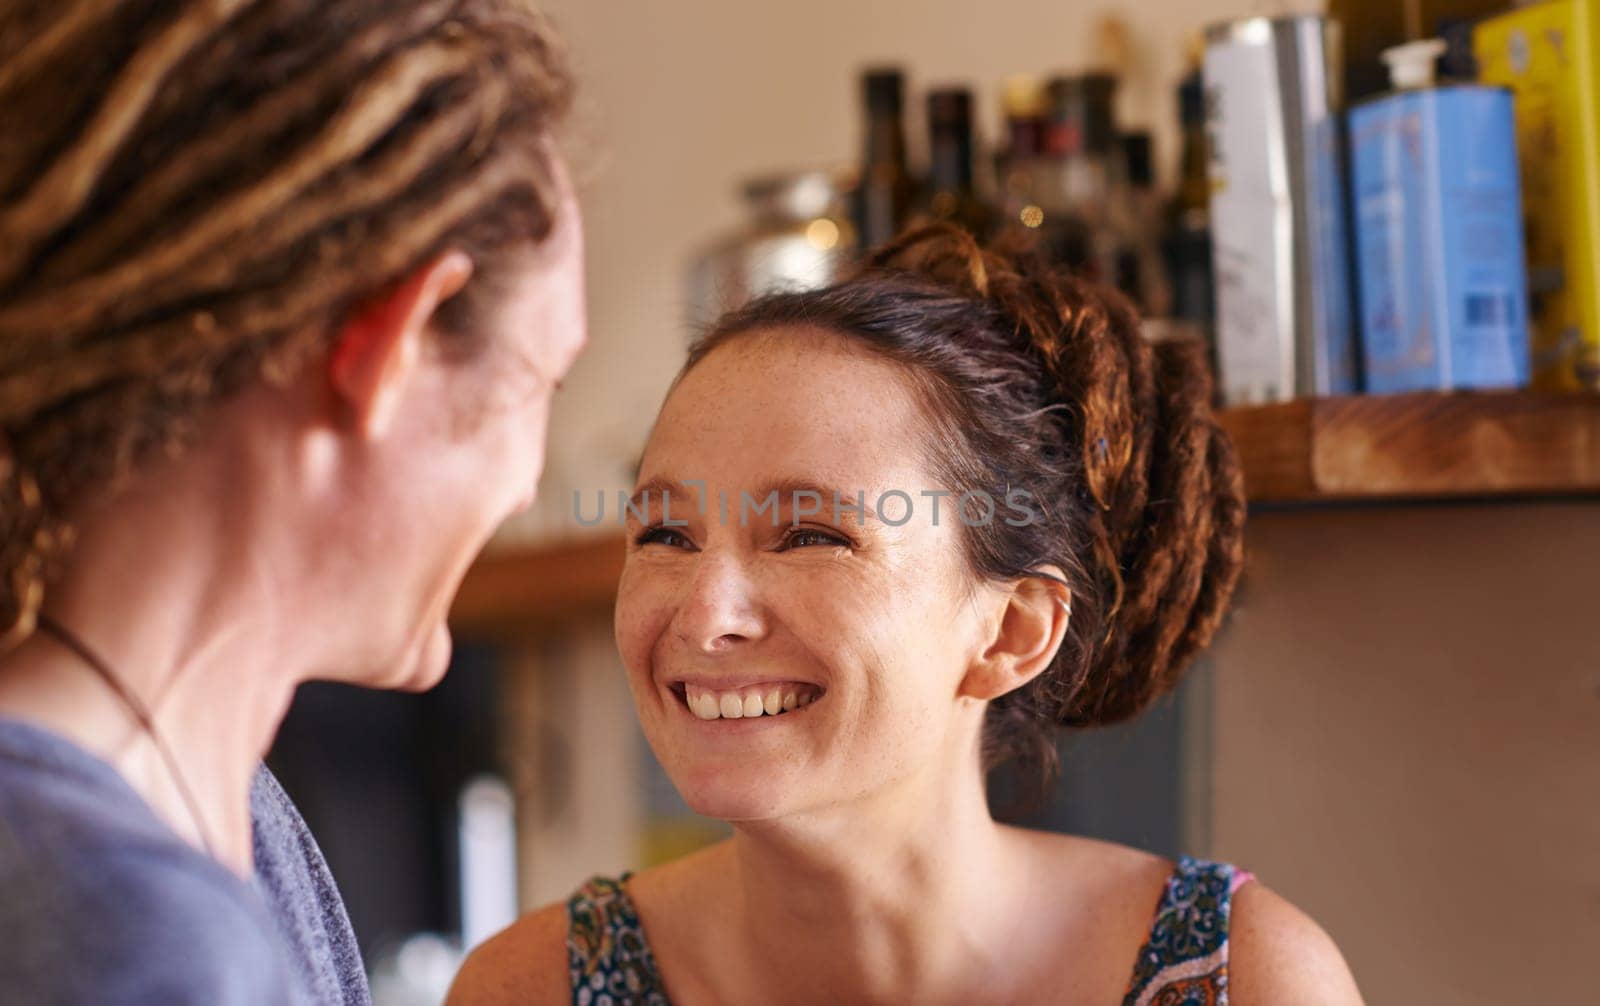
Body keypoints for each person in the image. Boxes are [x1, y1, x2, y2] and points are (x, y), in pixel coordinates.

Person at [451, 226, 1364, 1004]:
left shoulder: (1242, 978)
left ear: (1010, 634)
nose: (705, 616)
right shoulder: (532, 988)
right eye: (663, 535)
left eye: (810, 535)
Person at [0, 1, 584, 1002]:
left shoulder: (235, 816)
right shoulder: (133, 932)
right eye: (541, 383)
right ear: (392, 347)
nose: (529, 475)